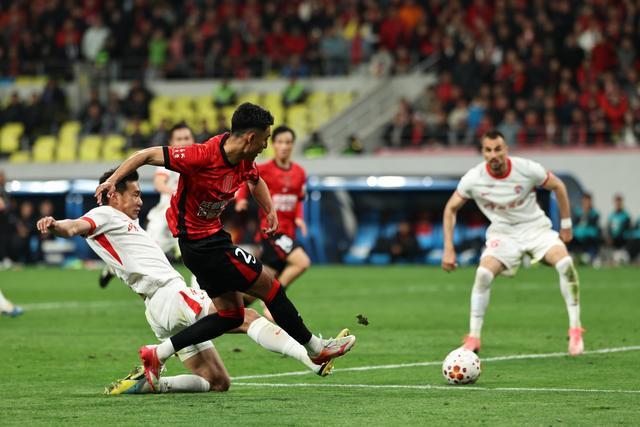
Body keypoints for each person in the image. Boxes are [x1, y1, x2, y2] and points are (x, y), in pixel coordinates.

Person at [93, 103, 355, 390]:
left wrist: (269, 210)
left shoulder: (243, 159)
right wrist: (113, 180)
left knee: (231, 316)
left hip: (208, 242)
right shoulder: (201, 155)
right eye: (265, 139)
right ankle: (316, 350)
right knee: (271, 288)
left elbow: (255, 181)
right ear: (250, 137)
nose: (265, 146)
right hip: (203, 244)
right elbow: (145, 155)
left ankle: (159, 353)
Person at [37, 169, 343, 395]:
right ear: (113, 195)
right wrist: (55, 225)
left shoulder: (125, 224)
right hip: (172, 295)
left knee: (218, 382)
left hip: (158, 311)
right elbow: (75, 226)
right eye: (135, 194)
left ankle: (153, 384)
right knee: (243, 316)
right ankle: (312, 358)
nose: (140, 200)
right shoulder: (104, 214)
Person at [441, 130, 584, 356]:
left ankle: (575, 330)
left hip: (535, 228)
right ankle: (474, 337)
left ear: (506, 149)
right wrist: (448, 248)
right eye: (488, 150)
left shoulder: (526, 168)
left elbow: (559, 186)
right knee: (483, 274)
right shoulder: (473, 179)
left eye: (498, 149)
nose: (493, 154)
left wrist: (566, 224)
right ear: (483, 153)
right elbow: (450, 208)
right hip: (503, 234)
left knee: (565, 264)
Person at [235, 125, 311, 320]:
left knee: (260, 285)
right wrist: (241, 199)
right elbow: (246, 180)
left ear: (293, 145)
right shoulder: (264, 169)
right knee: (302, 262)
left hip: (288, 233)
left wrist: (299, 218)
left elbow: (299, 199)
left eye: (288, 142)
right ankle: (274, 303)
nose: (284, 146)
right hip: (271, 231)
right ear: (273, 144)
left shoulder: (300, 172)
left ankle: (221, 310)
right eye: (280, 142)